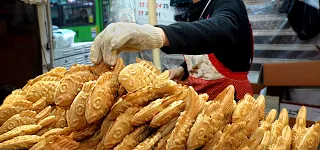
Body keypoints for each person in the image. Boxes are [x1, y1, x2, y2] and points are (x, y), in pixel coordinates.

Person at [90, 0, 253, 100]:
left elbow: (221, 31)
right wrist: (182, 70)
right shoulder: (194, 8)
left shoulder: (229, 4)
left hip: (233, 100)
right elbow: (204, 48)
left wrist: (158, 34)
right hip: (198, 101)